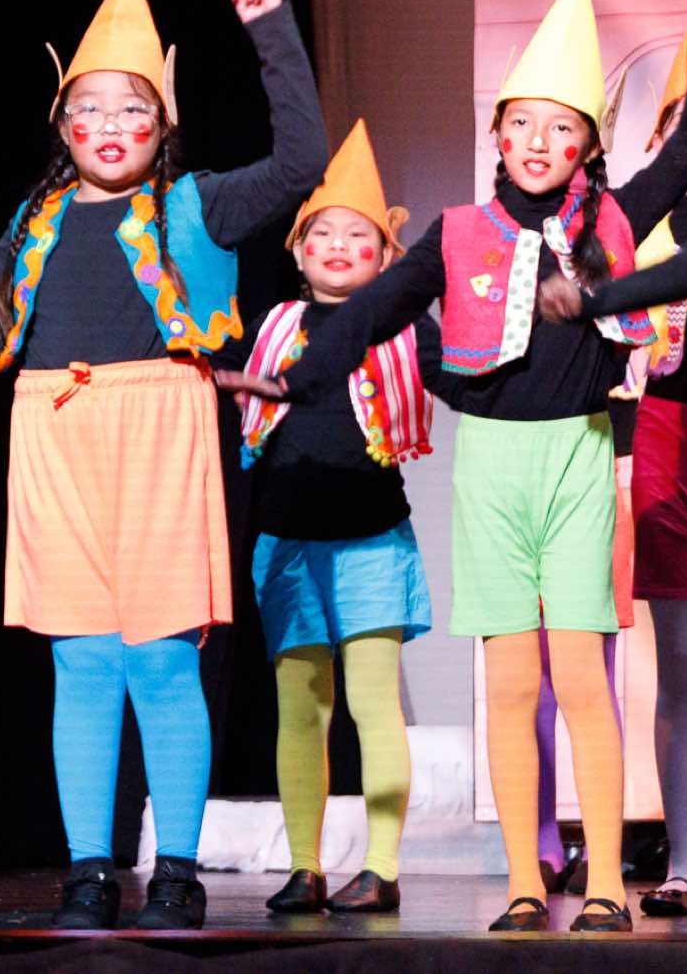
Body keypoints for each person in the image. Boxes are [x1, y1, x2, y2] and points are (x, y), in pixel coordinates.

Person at [218, 0, 687, 932]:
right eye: (520, 123)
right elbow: (370, 312)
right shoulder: (457, 234)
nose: (537, 142)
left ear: (586, 145)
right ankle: (524, 883)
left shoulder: (617, 219)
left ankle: (602, 884)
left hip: (576, 455)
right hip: (490, 466)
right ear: (496, 133)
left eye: (560, 128)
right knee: (507, 681)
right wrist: (297, 378)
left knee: (579, 675)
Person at [0, 0, 327, 929]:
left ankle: (174, 869)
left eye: (131, 108)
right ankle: (89, 870)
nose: (107, 124)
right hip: (54, 434)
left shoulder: (195, 204)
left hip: (158, 431)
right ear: (60, 126)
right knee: (84, 664)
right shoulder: (35, 221)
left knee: (161, 661)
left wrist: (271, 33)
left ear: (162, 125)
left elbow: (301, 159)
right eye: (87, 108)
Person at [539, 13, 687, 918]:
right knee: (682, 668)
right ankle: (684, 859)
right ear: (664, 137)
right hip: (666, 442)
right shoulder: (638, 222)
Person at [237, 119, 438, 917]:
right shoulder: (274, 329)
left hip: (369, 540)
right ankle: (305, 865)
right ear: (297, 249)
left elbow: (462, 373)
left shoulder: (404, 329)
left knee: (371, 703)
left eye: (359, 235)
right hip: (287, 542)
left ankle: (382, 865)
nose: (339, 245)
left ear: (387, 256)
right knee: (300, 709)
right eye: (323, 231)